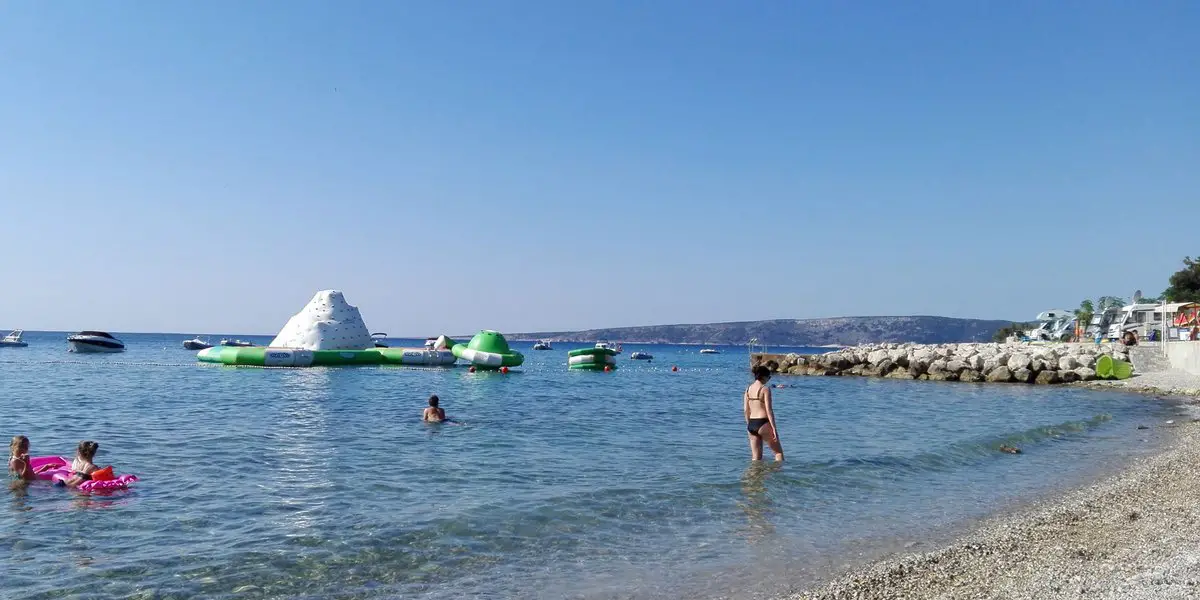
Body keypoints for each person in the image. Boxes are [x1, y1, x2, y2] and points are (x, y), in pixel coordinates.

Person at [744, 366, 784, 462]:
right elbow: (769, 410)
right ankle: (779, 476)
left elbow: (746, 410)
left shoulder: (748, 389)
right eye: (769, 377)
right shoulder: (765, 389)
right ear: (763, 377)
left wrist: (749, 425)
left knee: (756, 459)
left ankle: (753, 476)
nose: (769, 379)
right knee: (778, 453)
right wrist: (774, 429)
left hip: (751, 424)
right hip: (763, 422)